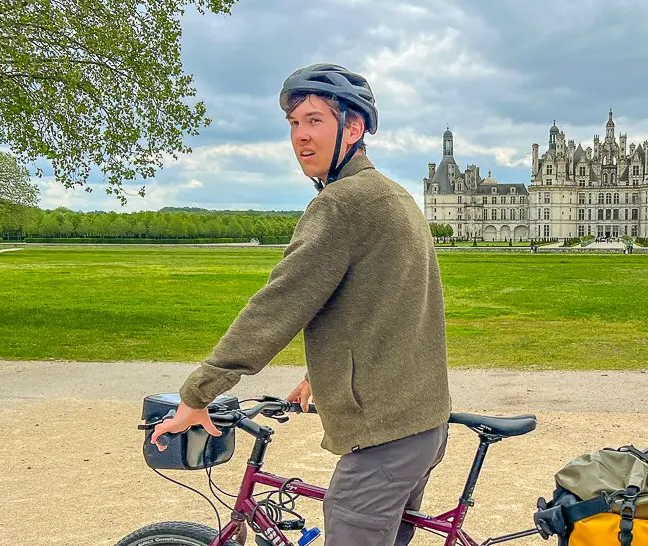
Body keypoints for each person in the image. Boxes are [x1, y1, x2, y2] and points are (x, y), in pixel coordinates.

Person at [149, 63, 452, 546]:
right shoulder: (394, 197)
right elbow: (383, 305)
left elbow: (277, 306)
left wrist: (196, 394)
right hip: (421, 423)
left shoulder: (341, 203)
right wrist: (321, 374)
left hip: (385, 436)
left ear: (353, 128)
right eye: (294, 124)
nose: (300, 137)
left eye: (315, 121)